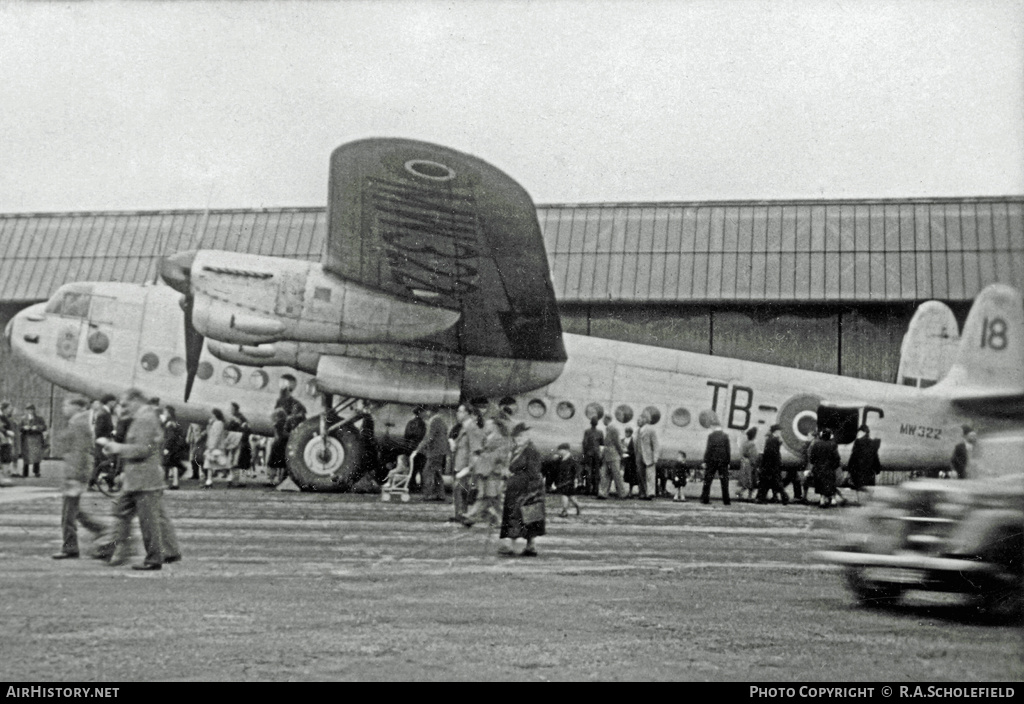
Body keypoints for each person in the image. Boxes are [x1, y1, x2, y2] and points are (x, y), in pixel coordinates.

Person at [93, 388, 180, 570]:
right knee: (128, 512)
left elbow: (143, 449)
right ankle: (166, 551)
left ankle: (152, 558)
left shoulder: (145, 419)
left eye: (125, 404)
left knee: (148, 521)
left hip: (143, 479)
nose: (123, 409)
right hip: (140, 477)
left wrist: (116, 448)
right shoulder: (146, 417)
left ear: (136, 401)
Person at [51, 396, 107, 559]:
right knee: (75, 512)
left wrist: (74, 477)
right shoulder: (80, 422)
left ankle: (71, 547)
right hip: (74, 472)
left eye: (66, 404)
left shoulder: (79, 423)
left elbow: (80, 452)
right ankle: (100, 530)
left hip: (74, 474)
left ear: (76, 407)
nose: (64, 408)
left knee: (68, 514)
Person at [498, 422, 546, 557]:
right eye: (515, 438)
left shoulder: (531, 450)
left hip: (528, 490)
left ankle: (526, 546)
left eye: (520, 437)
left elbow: (533, 472)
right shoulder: (516, 450)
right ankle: (526, 546)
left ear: (526, 436)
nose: (517, 440)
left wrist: (515, 476)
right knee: (519, 517)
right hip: (517, 489)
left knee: (525, 517)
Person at [462, 414, 511, 527]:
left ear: (494, 426)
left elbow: (499, 456)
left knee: (489, 497)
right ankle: (496, 519)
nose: (485, 426)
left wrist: (481, 457)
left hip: (492, 472)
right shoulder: (489, 437)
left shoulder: (499, 439)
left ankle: (471, 516)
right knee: (491, 498)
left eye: (488, 424)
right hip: (486, 472)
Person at [448, 403, 484, 523]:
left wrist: (469, 468)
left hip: (465, 467)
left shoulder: (472, 428)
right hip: (460, 464)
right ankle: (461, 514)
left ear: (468, 414)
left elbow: (476, 451)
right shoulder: (464, 427)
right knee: (460, 491)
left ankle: (462, 514)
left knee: (460, 490)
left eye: (460, 411)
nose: (458, 414)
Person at [411, 406, 448, 502]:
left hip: (434, 451)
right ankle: (441, 494)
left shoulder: (434, 421)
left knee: (427, 472)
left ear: (430, 411)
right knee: (437, 473)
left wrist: (418, 449)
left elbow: (429, 437)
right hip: (440, 451)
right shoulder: (441, 420)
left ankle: (427, 495)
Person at [700, 414, 731, 505]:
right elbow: (728, 450)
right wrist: (728, 462)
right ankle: (726, 500)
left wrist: (705, 461)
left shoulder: (711, 436)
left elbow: (708, 449)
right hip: (723, 461)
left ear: (714, 426)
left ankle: (705, 498)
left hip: (712, 461)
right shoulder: (725, 436)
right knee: (724, 481)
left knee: (708, 480)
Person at [846, 424, 881, 503]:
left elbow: (853, 456)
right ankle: (868, 502)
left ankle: (860, 501)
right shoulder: (873, 443)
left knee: (859, 487)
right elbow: (875, 457)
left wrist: (850, 468)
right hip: (869, 470)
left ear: (862, 432)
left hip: (859, 470)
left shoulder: (857, 442)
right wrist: (877, 468)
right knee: (869, 487)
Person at [755, 424, 788, 504]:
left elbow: (769, 453)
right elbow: (773, 454)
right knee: (773, 483)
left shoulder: (771, 440)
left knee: (766, 482)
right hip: (772, 465)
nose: (780, 432)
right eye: (779, 431)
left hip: (770, 465)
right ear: (776, 431)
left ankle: (761, 498)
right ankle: (784, 497)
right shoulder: (774, 440)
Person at [809, 429, 841, 508]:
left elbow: (812, 457)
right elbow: (837, 457)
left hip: (819, 468)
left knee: (820, 484)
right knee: (830, 483)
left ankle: (822, 500)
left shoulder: (816, 444)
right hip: (829, 468)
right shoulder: (833, 444)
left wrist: (815, 464)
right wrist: (834, 466)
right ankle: (833, 500)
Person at [598, 414, 628, 499]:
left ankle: (620, 493)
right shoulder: (611, 428)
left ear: (607, 419)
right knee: (608, 474)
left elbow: (617, 442)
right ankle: (605, 493)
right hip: (611, 454)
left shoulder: (612, 428)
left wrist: (621, 453)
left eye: (604, 419)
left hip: (612, 454)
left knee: (614, 475)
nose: (603, 421)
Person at [160, 406, 189, 490]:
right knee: (173, 465)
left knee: (167, 464)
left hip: (170, 447)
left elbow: (170, 437)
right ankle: (175, 483)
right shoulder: (174, 422)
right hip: (174, 447)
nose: (164, 413)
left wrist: (166, 447)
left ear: (168, 413)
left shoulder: (169, 423)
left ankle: (166, 483)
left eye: (165, 412)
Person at [552, 443, 582, 517]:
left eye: (561, 450)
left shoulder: (572, 459)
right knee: (570, 497)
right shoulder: (561, 458)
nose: (559, 452)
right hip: (563, 481)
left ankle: (564, 511)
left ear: (566, 450)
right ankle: (577, 506)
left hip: (569, 481)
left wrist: (577, 479)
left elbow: (577, 470)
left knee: (564, 495)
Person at [225, 402, 251, 487]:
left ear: (235, 409)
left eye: (231, 409)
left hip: (240, 444)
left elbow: (246, 430)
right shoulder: (236, 419)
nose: (230, 410)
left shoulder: (240, 419)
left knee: (238, 463)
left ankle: (236, 481)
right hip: (238, 443)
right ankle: (238, 481)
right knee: (239, 463)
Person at [636, 412, 660, 500]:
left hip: (648, 456)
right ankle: (642, 493)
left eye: (640, 419)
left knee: (650, 476)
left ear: (645, 419)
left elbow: (655, 444)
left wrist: (655, 457)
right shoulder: (637, 430)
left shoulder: (651, 430)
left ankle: (650, 493)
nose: (638, 421)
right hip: (639, 455)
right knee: (641, 475)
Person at [19, 403, 47, 478]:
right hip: (26, 438)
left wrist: (37, 427)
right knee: (26, 455)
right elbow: (19, 428)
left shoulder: (39, 418)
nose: (30, 411)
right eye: (28, 410)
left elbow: (44, 427)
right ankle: (25, 472)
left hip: (36, 438)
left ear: (34, 410)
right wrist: (24, 428)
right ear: (26, 411)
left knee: (36, 455)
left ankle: (36, 471)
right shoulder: (23, 418)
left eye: (31, 409)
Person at [202, 408, 227, 488]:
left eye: (212, 414)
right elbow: (210, 434)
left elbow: (216, 436)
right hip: (213, 446)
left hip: (215, 447)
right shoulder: (216, 423)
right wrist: (209, 425)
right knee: (210, 464)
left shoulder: (218, 423)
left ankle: (209, 481)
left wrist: (212, 447)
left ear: (215, 415)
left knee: (220, 464)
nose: (211, 416)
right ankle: (209, 481)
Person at [581, 416, 604, 496]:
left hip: (589, 453)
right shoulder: (600, 432)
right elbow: (602, 443)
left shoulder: (587, 431)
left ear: (590, 423)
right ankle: (595, 489)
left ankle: (587, 489)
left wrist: (585, 453)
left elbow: (584, 442)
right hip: (597, 454)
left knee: (588, 471)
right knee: (596, 472)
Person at [266, 408, 289, 485]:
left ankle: (271, 480)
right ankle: (281, 479)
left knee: (272, 463)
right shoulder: (286, 423)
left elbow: (278, 436)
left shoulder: (277, 424)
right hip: (284, 444)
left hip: (277, 444)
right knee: (283, 464)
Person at [737, 427, 759, 501]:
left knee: (746, 481)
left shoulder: (745, 443)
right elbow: (753, 455)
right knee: (752, 481)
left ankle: (740, 492)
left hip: (745, 463)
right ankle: (749, 496)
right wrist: (755, 463)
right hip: (750, 464)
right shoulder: (752, 444)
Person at [0, 401, 16, 486]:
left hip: (6, 440)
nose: (11, 409)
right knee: (4, 458)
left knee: (6, 458)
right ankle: (3, 478)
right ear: (5, 408)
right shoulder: (1, 417)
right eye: (9, 408)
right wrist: (7, 432)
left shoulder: (5, 417)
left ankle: (4, 477)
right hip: (3, 440)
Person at [621, 427, 638, 497]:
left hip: (630, 460)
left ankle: (630, 491)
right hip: (624, 459)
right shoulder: (622, 440)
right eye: (626, 432)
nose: (626, 433)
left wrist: (627, 452)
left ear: (631, 433)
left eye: (628, 432)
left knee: (631, 477)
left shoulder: (633, 441)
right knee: (624, 476)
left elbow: (633, 451)